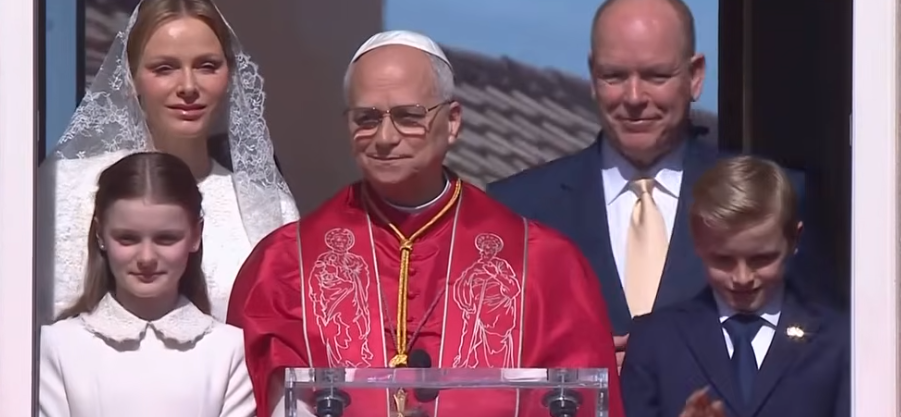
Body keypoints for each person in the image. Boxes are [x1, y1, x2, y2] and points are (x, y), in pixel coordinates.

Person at [226, 30, 624, 417]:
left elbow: (577, 400)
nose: (384, 137)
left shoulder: (541, 263)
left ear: (452, 122)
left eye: (407, 116)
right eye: (365, 118)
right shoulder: (287, 264)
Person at [485, 0, 827, 370]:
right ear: (592, 76)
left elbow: (819, 348)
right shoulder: (517, 209)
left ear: (695, 77)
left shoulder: (777, 201)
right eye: (614, 76)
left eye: (656, 76)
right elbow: (491, 355)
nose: (634, 97)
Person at [37, 0, 299, 324]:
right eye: (164, 68)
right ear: (131, 79)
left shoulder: (269, 208)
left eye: (207, 66)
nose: (188, 87)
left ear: (229, 75)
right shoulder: (64, 188)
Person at [619, 156, 849, 417]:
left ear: (794, 239)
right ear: (698, 241)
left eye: (761, 259)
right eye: (723, 260)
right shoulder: (656, 341)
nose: (742, 277)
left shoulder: (837, 341)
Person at [39, 152, 256, 417]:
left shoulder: (229, 350)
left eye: (166, 239)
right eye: (127, 239)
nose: (146, 258)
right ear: (100, 235)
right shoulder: (59, 345)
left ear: (196, 235)